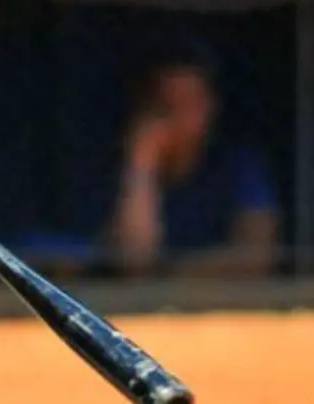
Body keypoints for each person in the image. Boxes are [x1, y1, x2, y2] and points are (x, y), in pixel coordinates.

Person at [111, 55, 279, 279]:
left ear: (211, 107)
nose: (180, 117)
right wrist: (142, 164)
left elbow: (257, 256)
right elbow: (135, 263)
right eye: (166, 106)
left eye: (190, 103)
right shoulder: (126, 168)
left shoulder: (237, 164)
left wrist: (170, 272)